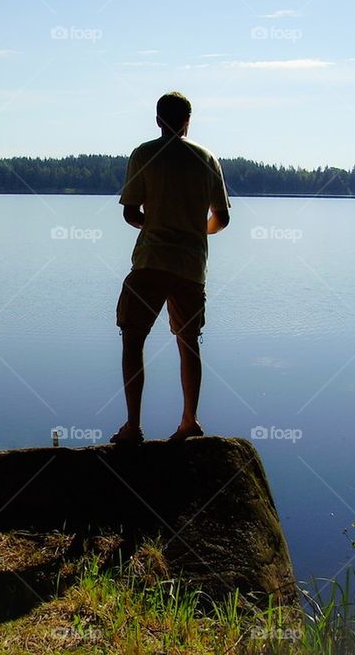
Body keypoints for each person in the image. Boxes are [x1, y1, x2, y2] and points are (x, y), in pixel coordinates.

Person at [110, 92, 231, 444]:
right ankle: (189, 422)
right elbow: (222, 218)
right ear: (188, 120)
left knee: (133, 340)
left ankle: (133, 427)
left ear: (157, 119)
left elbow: (131, 212)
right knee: (189, 342)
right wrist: (193, 231)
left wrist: (157, 223)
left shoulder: (144, 154)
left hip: (151, 261)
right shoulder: (207, 158)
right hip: (191, 266)